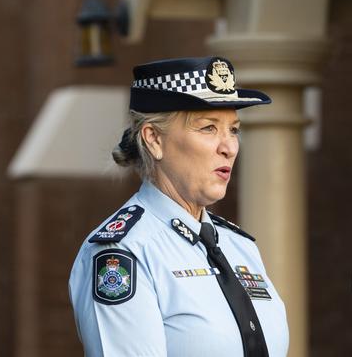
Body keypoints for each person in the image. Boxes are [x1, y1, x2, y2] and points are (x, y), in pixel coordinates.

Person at [69, 57, 289, 357]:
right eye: (209, 128)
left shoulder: (240, 246)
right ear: (154, 139)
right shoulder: (124, 253)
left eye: (234, 130)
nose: (229, 147)